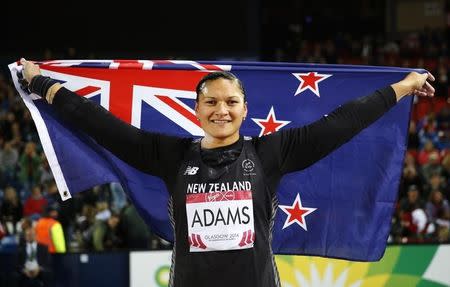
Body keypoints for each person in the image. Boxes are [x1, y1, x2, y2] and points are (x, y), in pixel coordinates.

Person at [19, 58, 435, 287]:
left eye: (231, 102)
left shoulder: (272, 152)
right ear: (197, 110)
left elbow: (343, 122)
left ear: (244, 108)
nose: (222, 110)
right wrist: (41, 85)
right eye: (212, 102)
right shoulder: (171, 155)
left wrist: (404, 86)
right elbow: (100, 124)